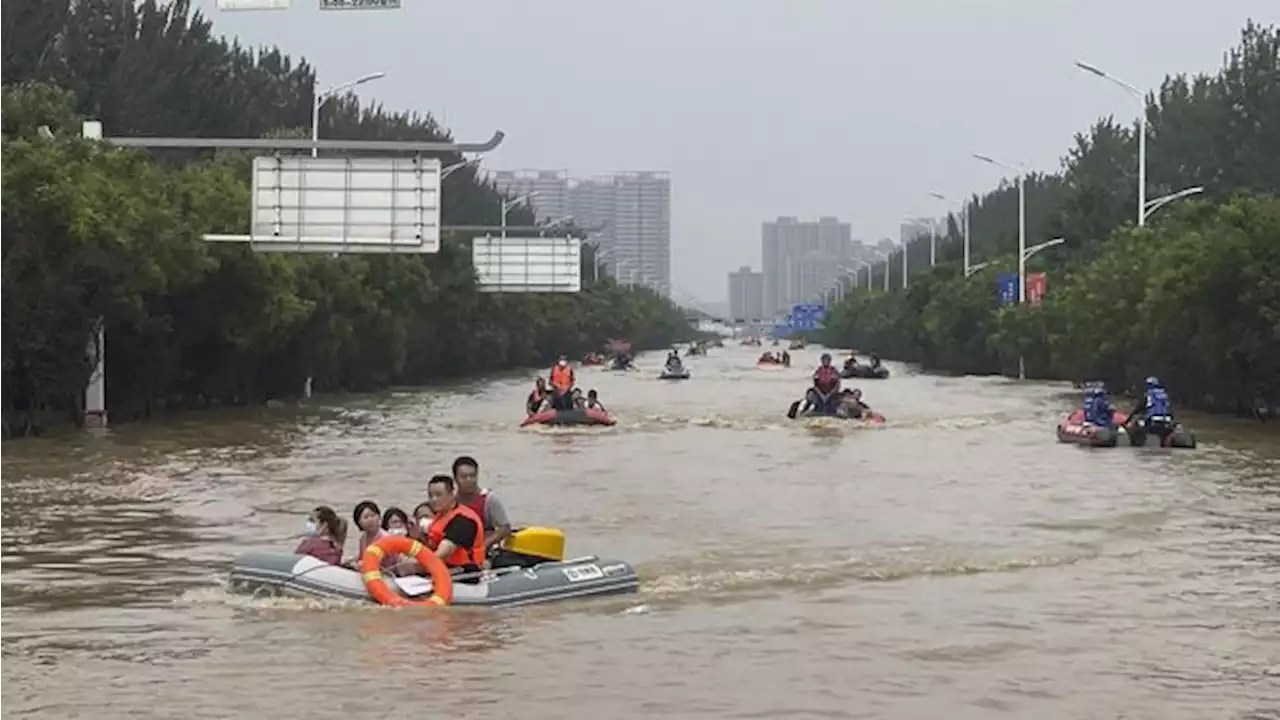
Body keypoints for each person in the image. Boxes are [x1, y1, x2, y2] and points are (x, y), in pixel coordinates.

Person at [425, 474, 487, 576]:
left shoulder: (463, 521)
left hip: (466, 572)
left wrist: (417, 565)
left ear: (452, 494)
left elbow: (442, 553)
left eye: (438, 495)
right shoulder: (440, 516)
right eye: (430, 495)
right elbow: (431, 545)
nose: (434, 499)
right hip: (445, 567)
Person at [452, 456, 513, 555]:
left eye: (472, 476)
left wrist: (485, 545)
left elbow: (505, 528)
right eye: (464, 477)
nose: (469, 480)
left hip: (484, 551)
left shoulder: (489, 499)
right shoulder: (451, 501)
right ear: (455, 479)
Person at [1129, 376, 1175, 441]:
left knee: (1138, 424)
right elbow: (1169, 407)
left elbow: (1139, 408)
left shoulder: (1148, 395)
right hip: (1166, 419)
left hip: (1151, 419)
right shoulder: (1165, 395)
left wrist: (1129, 418)